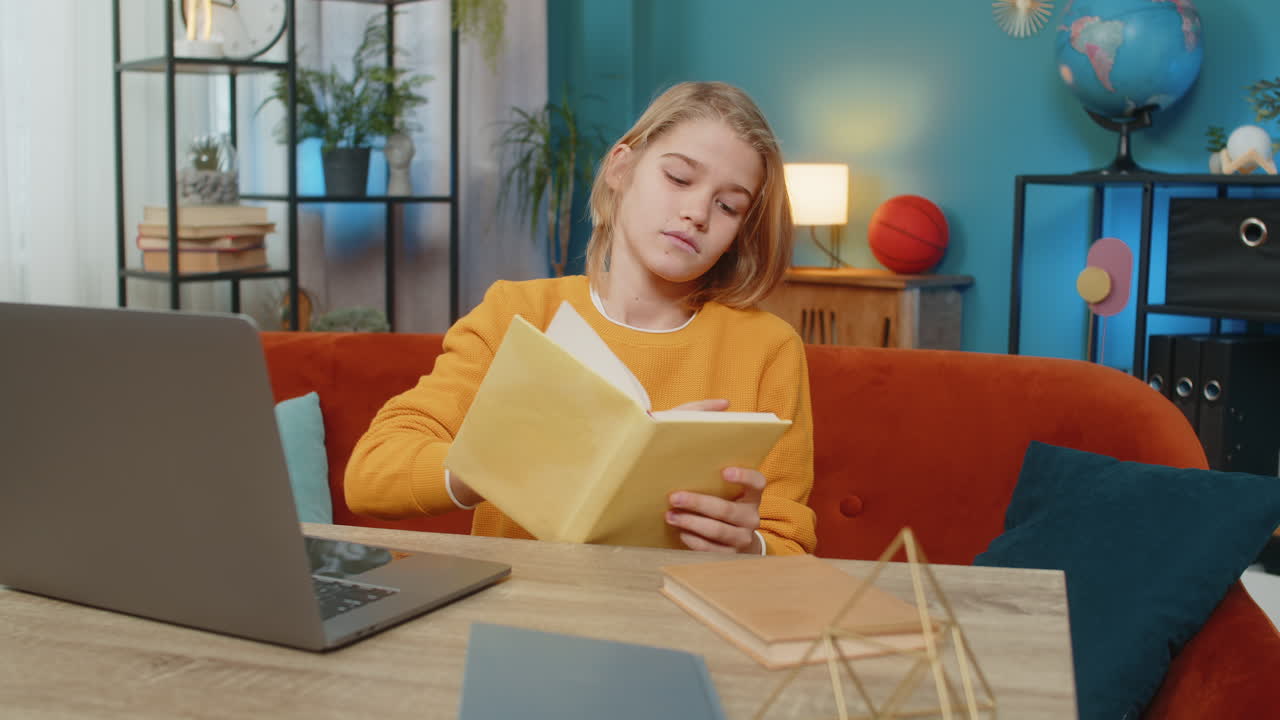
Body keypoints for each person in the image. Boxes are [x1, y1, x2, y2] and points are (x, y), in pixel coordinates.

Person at [345, 81, 816, 555]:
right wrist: (511, 457)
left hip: (678, 618)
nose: (697, 213)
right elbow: (371, 474)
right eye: (678, 178)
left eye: (728, 206)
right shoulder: (517, 312)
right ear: (622, 168)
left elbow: (790, 545)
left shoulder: (768, 347)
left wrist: (749, 547)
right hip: (523, 611)